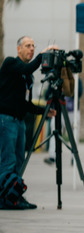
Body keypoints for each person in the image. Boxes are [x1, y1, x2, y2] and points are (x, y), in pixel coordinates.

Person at [0, 36, 57, 209]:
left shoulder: (27, 75)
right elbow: (28, 67)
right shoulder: (11, 64)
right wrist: (43, 55)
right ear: (19, 49)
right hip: (6, 120)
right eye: (27, 46)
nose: (31, 49)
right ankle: (4, 198)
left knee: (19, 161)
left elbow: (24, 103)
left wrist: (45, 111)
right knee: (8, 161)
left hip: (19, 121)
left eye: (33, 46)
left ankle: (15, 196)